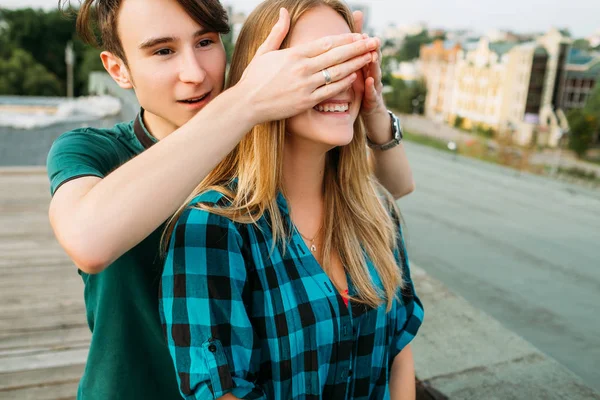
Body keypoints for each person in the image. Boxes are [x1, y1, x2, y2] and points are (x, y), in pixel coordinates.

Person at [47, 0, 415, 399]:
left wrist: (370, 104)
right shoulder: (94, 150)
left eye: (206, 42)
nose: (195, 73)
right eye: (163, 51)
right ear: (118, 68)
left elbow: (386, 194)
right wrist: (248, 100)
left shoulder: (262, 137)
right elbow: (88, 240)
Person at [159, 1, 424, 399]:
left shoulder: (376, 211)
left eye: (350, 58)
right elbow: (222, 390)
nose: (339, 79)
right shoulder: (213, 229)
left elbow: (398, 354)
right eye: (316, 63)